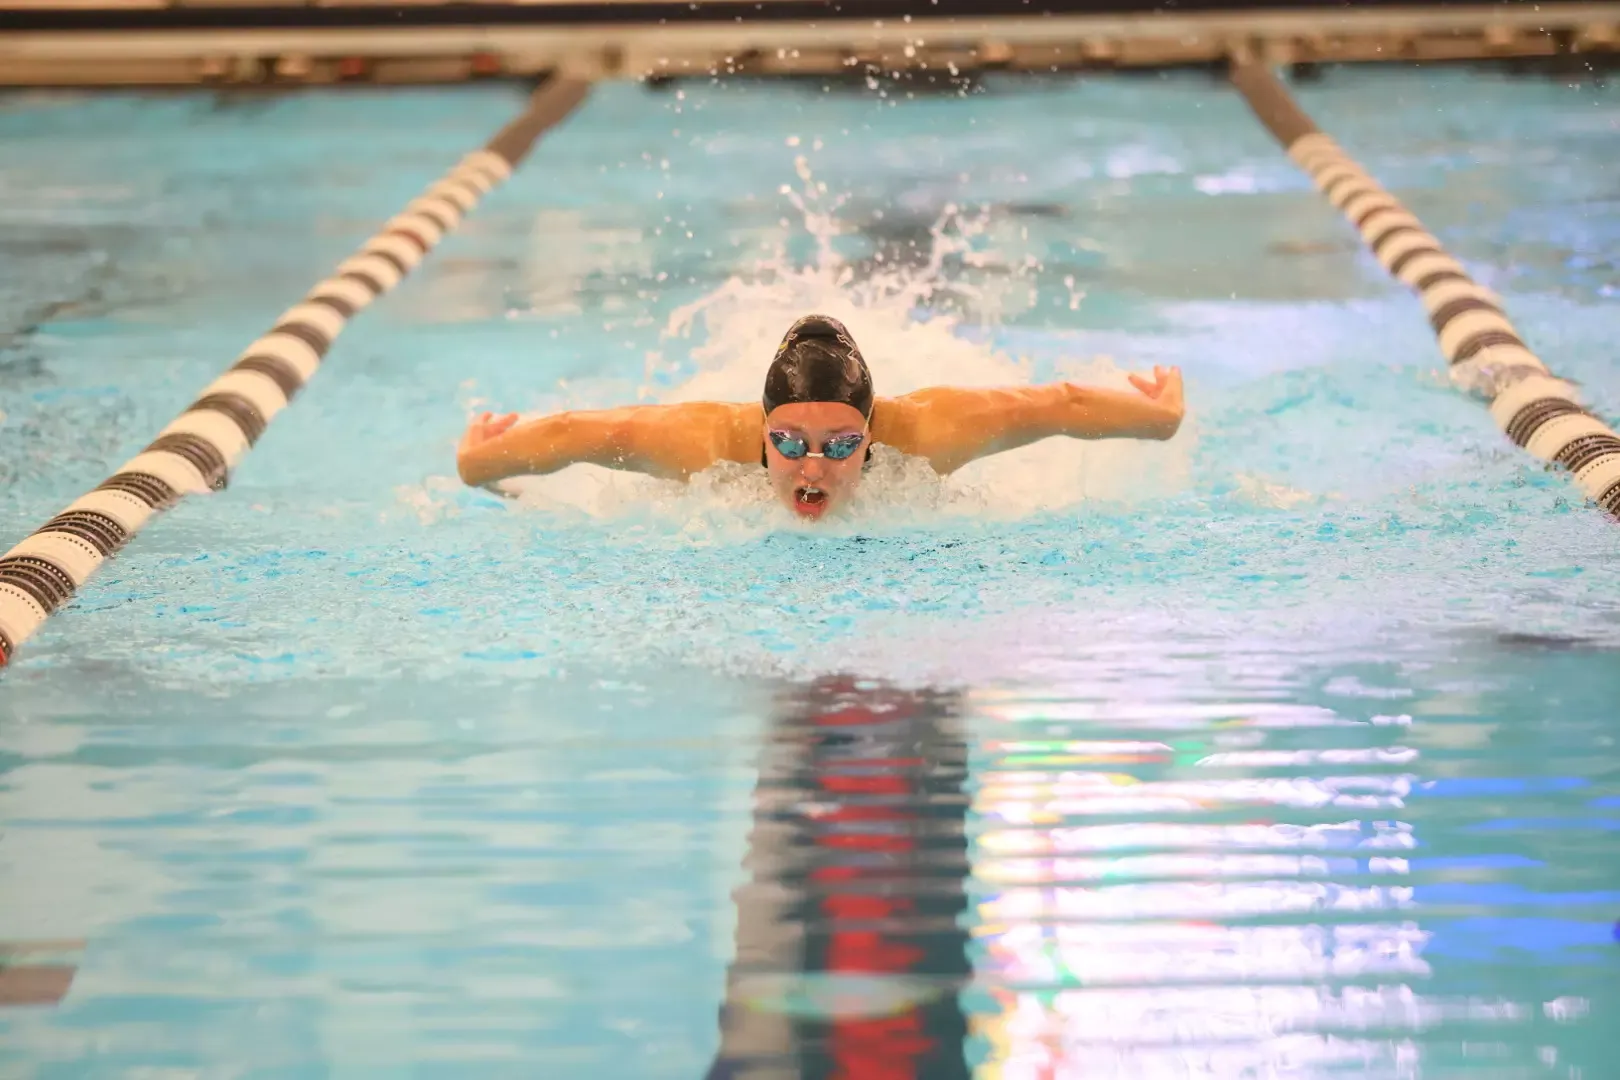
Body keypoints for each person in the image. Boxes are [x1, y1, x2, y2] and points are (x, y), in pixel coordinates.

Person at [456, 314, 1184, 521]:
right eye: (787, 443)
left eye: (840, 444)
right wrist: (480, 461)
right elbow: (585, 433)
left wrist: (1161, 417)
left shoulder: (928, 434)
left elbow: (1055, 405)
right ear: (760, 430)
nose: (812, 468)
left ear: (872, 434)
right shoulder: (706, 444)